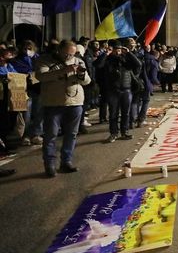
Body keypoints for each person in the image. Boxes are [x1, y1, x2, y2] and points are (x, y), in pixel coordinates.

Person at [34, 40, 91, 177]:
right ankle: (50, 165)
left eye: (71, 55)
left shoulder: (78, 61)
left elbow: (87, 81)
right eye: (66, 54)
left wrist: (82, 75)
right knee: (50, 135)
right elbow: (41, 76)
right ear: (59, 50)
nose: (69, 58)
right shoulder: (45, 60)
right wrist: (63, 70)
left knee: (71, 135)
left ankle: (66, 162)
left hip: (75, 102)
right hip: (53, 103)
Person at [100, 40, 141, 143]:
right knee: (113, 114)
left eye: (119, 50)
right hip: (113, 90)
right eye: (115, 50)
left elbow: (138, 64)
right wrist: (106, 53)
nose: (118, 52)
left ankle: (124, 132)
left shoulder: (125, 60)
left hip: (126, 89)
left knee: (125, 113)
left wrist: (128, 53)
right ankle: (113, 133)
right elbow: (98, 64)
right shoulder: (108, 60)